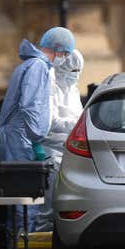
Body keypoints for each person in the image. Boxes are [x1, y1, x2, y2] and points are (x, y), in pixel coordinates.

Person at [0, 26, 75, 249]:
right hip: (19, 138)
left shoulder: (30, 65)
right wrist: (37, 137)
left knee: (19, 200)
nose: (65, 59)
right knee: (25, 200)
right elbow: (30, 106)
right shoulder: (38, 67)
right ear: (59, 50)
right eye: (66, 54)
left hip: (17, 137)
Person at [34, 49, 84, 232]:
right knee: (46, 210)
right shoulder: (50, 87)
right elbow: (50, 122)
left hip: (70, 154)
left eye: (79, 71)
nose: (76, 75)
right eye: (72, 70)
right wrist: (77, 125)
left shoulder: (73, 90)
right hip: (51, 153)